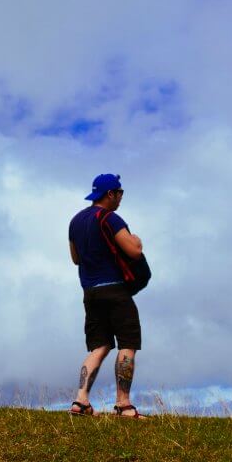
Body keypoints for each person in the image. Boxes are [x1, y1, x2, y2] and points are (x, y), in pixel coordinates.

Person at [67, 173, 147, 419]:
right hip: (115, 290)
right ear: (110, 194)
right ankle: (124, 405)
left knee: (99, 346)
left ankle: (81, 401)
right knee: (127, 345)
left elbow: (75, 258)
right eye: (120, 192)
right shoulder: (111, 219)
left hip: (90, 292)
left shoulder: (76, 221)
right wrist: (136, 240)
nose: (121, 197)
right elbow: (134, 251)